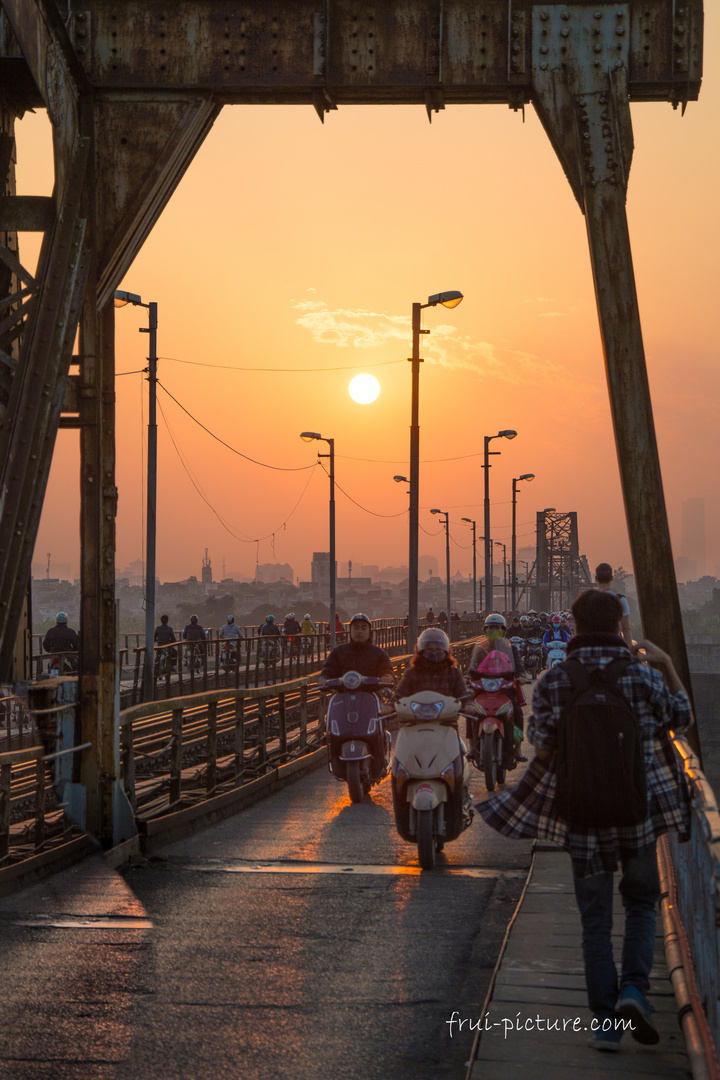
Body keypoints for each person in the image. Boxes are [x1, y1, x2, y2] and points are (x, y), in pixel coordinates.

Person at [476, 589, 692, 1051]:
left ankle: (605, 1024)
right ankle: (634, 990)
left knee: (595, 921)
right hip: (639, 809)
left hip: (582, 811)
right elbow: (682, 718)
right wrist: (668, 664)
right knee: (640, 904)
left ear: (572, 627)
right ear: (618, 627)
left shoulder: (555, 680)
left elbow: (537, 738)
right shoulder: (643, 675)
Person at [467, 614, 527, 765]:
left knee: (517, 710)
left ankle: (518, 749)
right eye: (490, 628)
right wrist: (468, 678)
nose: (493, 631)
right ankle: (472, 748)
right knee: (471, 710)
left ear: (503, 630)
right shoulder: (480, 649)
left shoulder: (511, 648)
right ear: (485, 630)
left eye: (497, 628)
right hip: (483, 687)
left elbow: (519, 668)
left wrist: (521, 676)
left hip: (504, 685)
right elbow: (471, 669)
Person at [393, 627, 470, 703]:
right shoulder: (411, 674)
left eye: (438, 649)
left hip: (448, 715)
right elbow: (399, 694)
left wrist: (469, 705)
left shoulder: (454, 674)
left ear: (446, 651)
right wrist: (390, 706)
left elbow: (463, 695)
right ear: (421, 651)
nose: (434, 653)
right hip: (418, 714)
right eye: (429, 649)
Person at [318, 613, 394, 686]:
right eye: (355, 628)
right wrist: (323, 678)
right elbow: (329, 669)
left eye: (363, 628)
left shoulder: (379, 653)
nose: (359, 631)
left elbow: (387, 670)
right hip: (343, 695)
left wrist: (387, 676)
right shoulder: (338, 652)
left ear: (369, 633)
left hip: (371, 695)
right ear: (350, 631)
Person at [595, 562, 632, 648]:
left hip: (595, 645)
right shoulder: (621, 600)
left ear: (596, 578)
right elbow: (626, 629)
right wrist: (630, 652)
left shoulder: (587, 599)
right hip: (614, 644)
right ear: (611, 578)